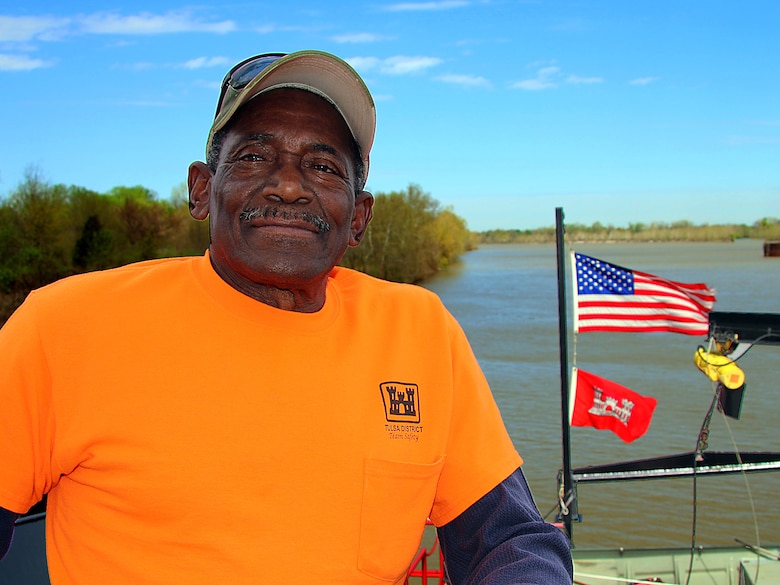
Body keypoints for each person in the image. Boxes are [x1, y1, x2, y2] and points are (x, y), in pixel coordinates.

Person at [0, 50, 572, 584]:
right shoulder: (63, 327)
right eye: (254, 156)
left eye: (323, 167)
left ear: (359, 218)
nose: (289, 186)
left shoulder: (420, 330)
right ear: (202, 188)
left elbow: (510, 539)